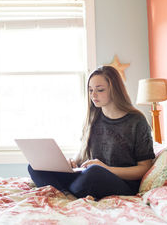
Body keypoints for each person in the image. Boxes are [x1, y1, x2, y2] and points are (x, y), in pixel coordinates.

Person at [28, 65, 155, 200]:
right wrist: (71, 162)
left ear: (115, 90)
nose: (93, 95)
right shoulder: (93, 117)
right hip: (88, 176)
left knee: (94, 172)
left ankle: (62, 190)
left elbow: (144, 168)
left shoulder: (137, 121)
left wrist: (106, 169)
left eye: (99, 90)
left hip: (120, 183)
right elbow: (83, 153)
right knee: (35, 166)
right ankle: (67, 194)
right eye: (90, 90)